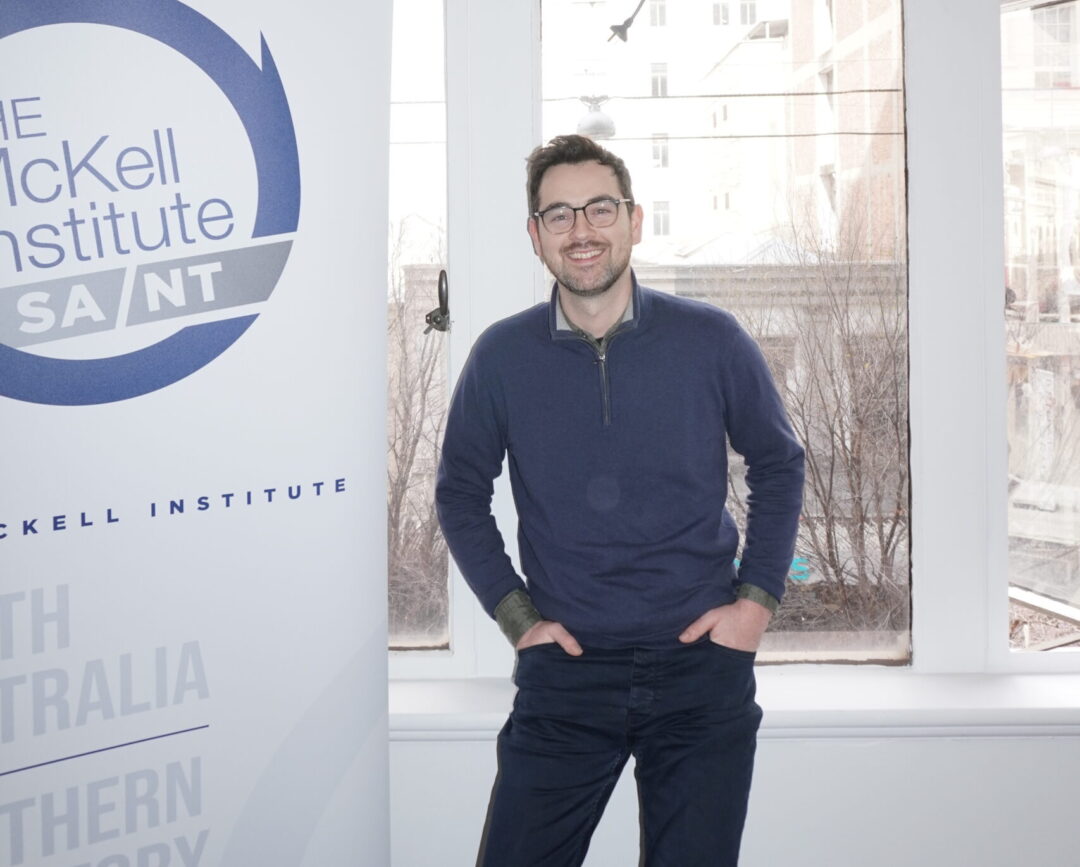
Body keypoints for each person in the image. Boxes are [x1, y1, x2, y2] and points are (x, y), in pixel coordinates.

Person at [435, 134, 804, 867]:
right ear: (535, 235)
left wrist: (755, 601)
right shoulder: (501, 358)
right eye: (560, 213)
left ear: (635, 220)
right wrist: (516, 615)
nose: (583, 230)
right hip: (567, 675)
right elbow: (459, 491)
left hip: (701, 671)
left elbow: (779, 461)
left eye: (600, 208)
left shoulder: (711, 339)